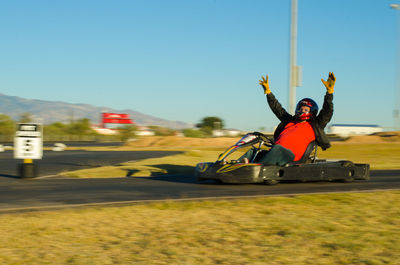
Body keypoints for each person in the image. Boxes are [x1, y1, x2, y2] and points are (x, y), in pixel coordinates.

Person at [252, 72, 335, 166]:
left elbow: (327, 112)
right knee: (254, 151)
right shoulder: (289, 121)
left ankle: (255, 168)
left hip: (292, 158)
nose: (302, 111)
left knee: (278, 149)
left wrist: (329, 92)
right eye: (301, 108)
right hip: (275, 152)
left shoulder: (315, 125)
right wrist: (268, 92)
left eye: (306, 109)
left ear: (312, 112)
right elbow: (277, 109)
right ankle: (237, 166)